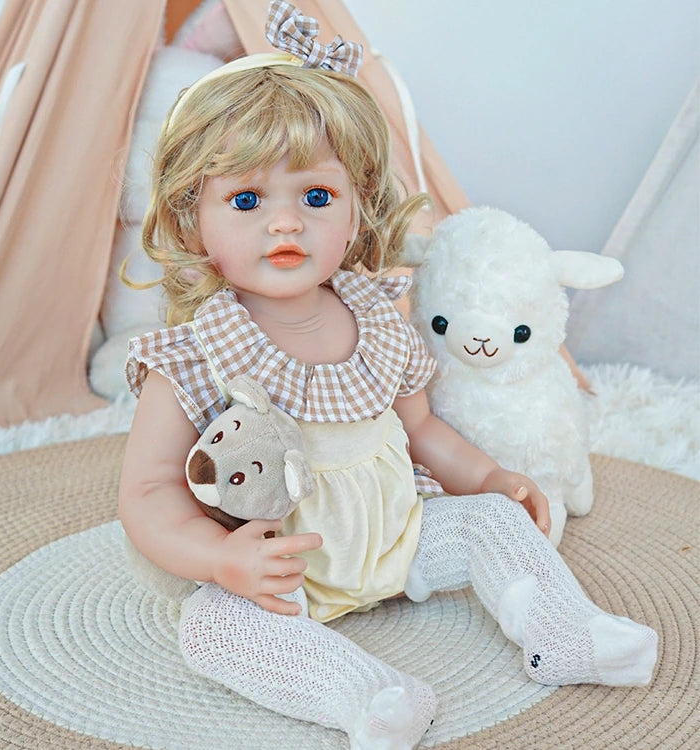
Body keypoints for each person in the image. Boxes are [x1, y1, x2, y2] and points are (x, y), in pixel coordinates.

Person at [119, 3, 657, 747]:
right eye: (247, 200)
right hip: (283, 568)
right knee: (209, 628)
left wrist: (488, 477)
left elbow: (421, 429)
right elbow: (146, 494)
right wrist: (221, 556)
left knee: (496, 524)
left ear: (355, 209)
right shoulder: (195, 350)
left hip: (398, 535)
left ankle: (564, 632)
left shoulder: (374, 316)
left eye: (315, 196)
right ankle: (367, 696)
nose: (286, 223)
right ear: (191, 221)